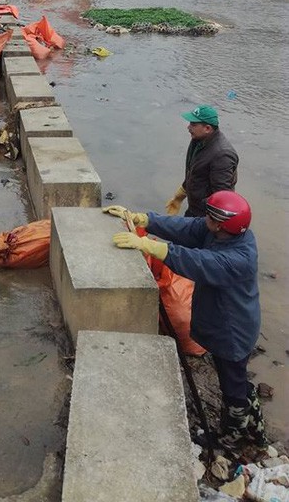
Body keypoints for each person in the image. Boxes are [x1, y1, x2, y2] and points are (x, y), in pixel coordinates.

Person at [105, 191, 267, 450]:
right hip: (227, 321)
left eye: (213, 218)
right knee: (235, 377)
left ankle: (231, 436)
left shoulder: (239, 258)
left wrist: (154, 247)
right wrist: (145, 219)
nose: (206, 221)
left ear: (227, 224)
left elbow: (199, 262)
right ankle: (256, 428)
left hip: (233, 330)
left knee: (232, 383)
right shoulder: (218, 233)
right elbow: (186, 227)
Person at [166, 104, 238, 217]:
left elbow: (223, 197)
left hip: (206, 217)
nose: (188, 127)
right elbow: (195, 171)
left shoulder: (222, 155)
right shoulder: (198, 141)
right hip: (194, 209)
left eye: (193, 124)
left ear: (207, 128)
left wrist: (207, 220)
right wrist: (182, 192)